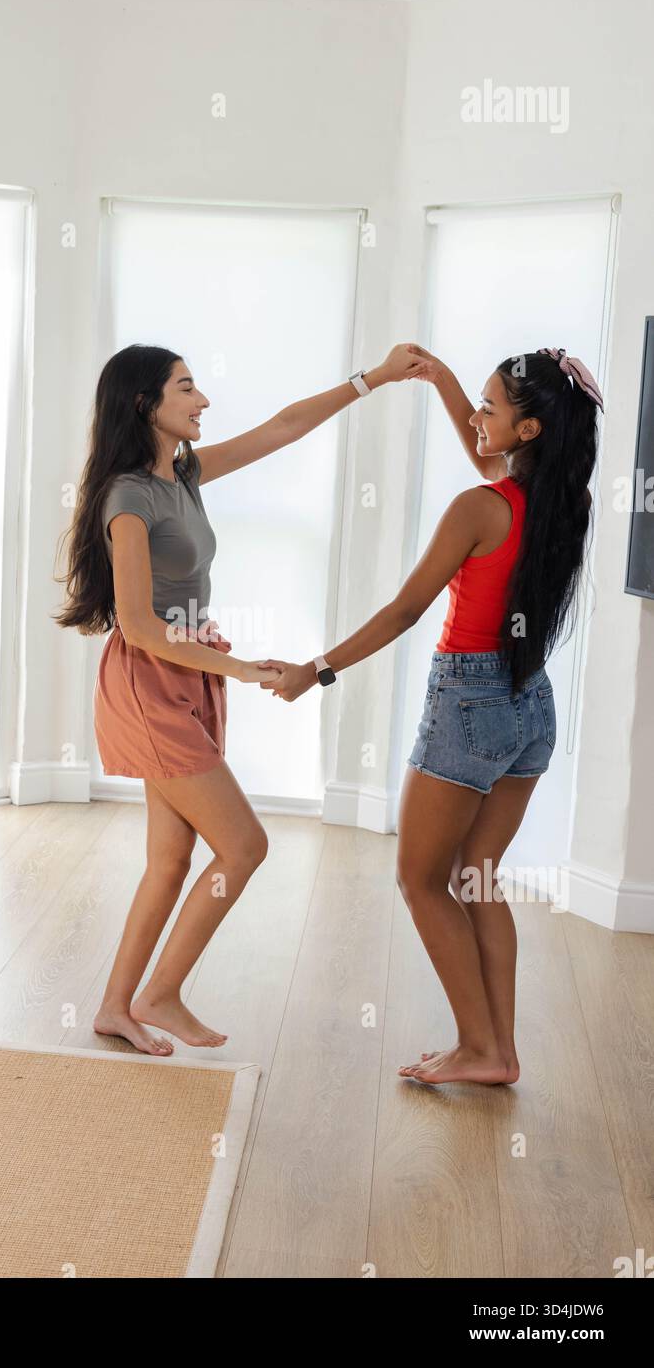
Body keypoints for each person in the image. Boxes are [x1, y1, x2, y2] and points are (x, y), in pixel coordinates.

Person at [54, 342, 420, 1054]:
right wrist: (252, 671)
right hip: (150, 681)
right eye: (186, 388)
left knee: (170, 860)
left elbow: (281, 429)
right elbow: (137, 625)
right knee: (244, 845)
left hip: (189, 673)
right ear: (144, 404)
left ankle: (114, 1008)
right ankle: (158, 994)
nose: (203, 401)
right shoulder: (127, 497)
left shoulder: (182, 476)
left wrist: (370, 379)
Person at [260, 344, 604, 1085]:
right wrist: (444, 384)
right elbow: (492, 461)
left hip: (468, 704)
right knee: (478, 875)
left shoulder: (476, 508)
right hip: (530, 706)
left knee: (420, 881)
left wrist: (314, 671)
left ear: (528, 432)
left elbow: (405, 610)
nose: (476, 419)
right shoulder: (560, 503)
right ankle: (498, 1053)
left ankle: (479, 1047)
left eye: (489, 408)